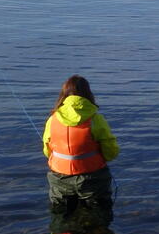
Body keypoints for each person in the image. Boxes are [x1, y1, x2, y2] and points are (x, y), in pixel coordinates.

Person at [43, 74, 119, 216]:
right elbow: (111, 151)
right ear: (88, 93)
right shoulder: (96, 119)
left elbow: (47, 150)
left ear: (64, 94)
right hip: (92, 178)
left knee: (60, 218)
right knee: (99, 217)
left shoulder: (52, 119)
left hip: (60, 178)